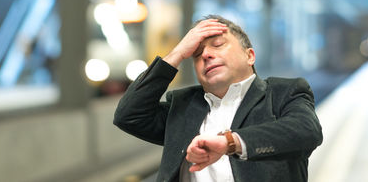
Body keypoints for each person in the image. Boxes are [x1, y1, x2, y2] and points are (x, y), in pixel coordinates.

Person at [114, 15, 323, 182]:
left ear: (249, 55)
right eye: (196, 54)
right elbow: (128, 115)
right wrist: (177, 54)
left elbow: (306, 130)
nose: (206, 55)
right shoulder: (182, 108)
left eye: (217, 44)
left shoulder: (283, 93)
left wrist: (229, 143)